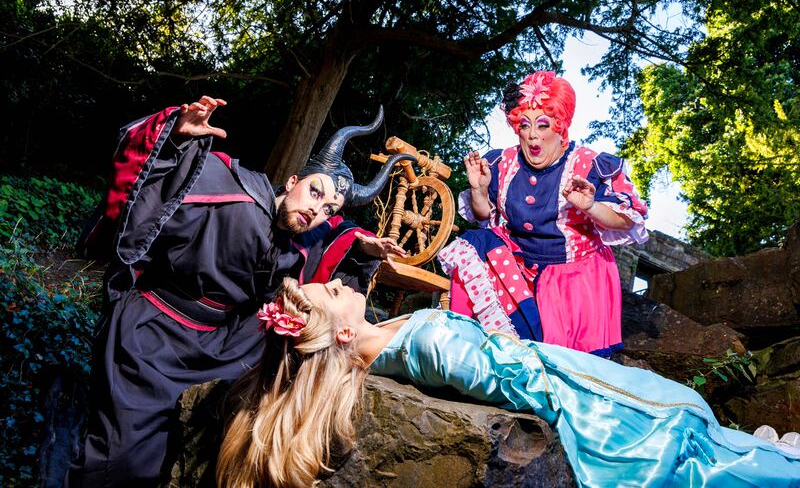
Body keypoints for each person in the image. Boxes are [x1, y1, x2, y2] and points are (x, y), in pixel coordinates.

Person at [65, 96, 414, 487]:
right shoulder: (229, 188)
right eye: (316, 192)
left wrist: (361, 245)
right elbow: (152, 185)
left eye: (330, 208)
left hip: (220, 343)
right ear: (294, 181)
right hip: (155, 333)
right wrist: (176, 139)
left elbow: (332, 242)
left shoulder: (300, 236)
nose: (318, 211)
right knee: (124, 460)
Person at [217, 277, 800, 488]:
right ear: (340, 337)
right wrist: (619, 398)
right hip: (569, 383)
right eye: (331, 295)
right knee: (708, 445)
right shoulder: (426, 345)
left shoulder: (385, 344)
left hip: (544, 361)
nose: (340, 284)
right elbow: (517, 377)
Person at [437, 71, 649, 356]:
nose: (533, 134)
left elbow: (627, 220)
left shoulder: (588, 164)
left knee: (556, 368)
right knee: (478, 243)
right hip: (515, 273)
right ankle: (465, 354)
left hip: (572, 282)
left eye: (543, 124)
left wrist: (590, 206)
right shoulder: (503, 162)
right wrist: (479, 189)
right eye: (525, 125)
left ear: (560, 127)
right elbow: (486, 217)